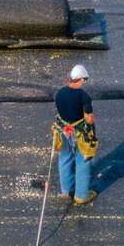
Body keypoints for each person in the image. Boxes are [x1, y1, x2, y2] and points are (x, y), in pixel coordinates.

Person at [53, 64, 99, 206]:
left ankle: (66, 191)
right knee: (83, 160)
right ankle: (81, 196)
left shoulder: (59, 93)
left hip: (62, 131)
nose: (83, 83)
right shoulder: (84, 96)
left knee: (64, 159)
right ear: (80, 79)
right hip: (79, 134)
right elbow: (89, 119)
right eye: (83, 80)